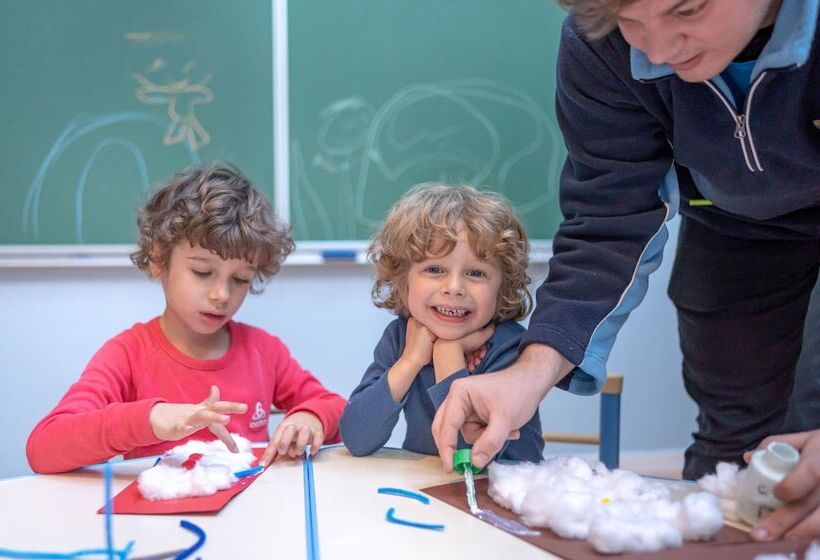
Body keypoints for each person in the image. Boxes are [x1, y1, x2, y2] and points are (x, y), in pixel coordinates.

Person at [432, 0, 819, 539]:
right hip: (734, 225)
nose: (657, 51)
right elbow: (608, 217)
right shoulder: (602, 38)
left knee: (811, 423)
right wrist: (529, 372)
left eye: (687, 10)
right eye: (632, 23)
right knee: (735, 437)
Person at [27, 164, 346, 473]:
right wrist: (152, 420)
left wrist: (312, 416)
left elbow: (335, 408)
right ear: (157, 259)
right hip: (157, 524)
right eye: (203, 272)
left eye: (240, 279)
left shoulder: (264, 351)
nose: (221, 294)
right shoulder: (128, 355)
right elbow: (44, 447)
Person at [340, 183, 544, 463]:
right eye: (434, 269)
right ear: (403, 279)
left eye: (476, 273)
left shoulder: (511, 348)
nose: (454, 287)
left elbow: (467, 456)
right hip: (428, 492)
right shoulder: (402, 337)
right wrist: (410, 361)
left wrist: (448, 353)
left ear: (502, 287)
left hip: (501, 490)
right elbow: (356, 438)